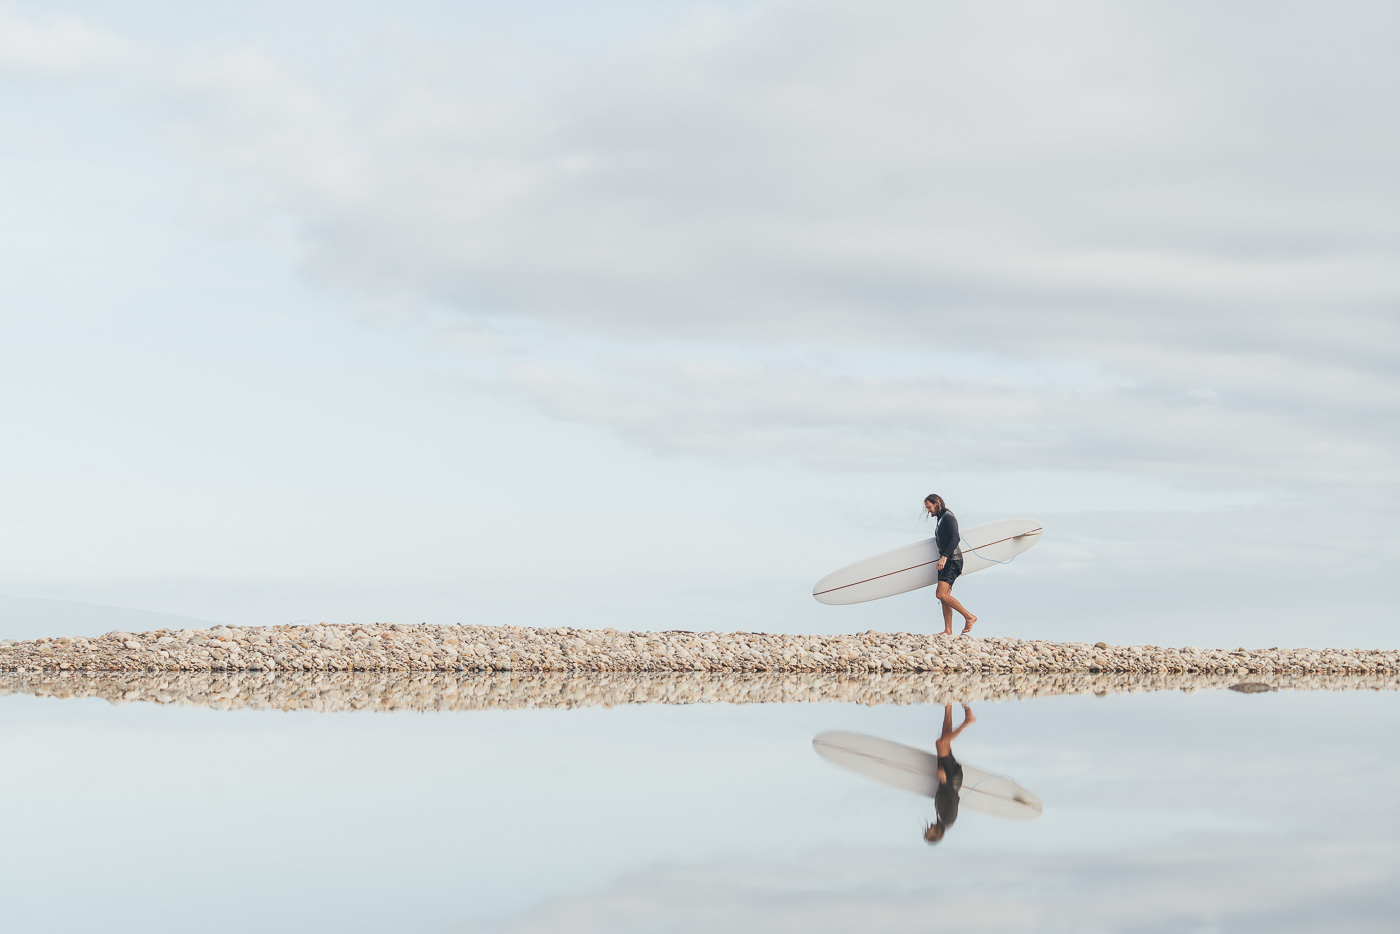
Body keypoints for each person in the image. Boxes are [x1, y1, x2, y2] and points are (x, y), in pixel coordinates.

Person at [924, 494, 977, 635]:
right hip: (947, 561)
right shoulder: (941, 518)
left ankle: (969, 616)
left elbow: (955, 538)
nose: (928, 511)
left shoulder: (948, 517)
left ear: (936, 503)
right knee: (945, 596)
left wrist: (944, 557)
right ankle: (948, 630)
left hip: (952, 560)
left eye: (929, 507)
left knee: (940, 594)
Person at [924, 703, 975, 844]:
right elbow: (954, 799)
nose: (926, 830)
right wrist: (945, 780)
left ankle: (948, 706)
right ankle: (967, 721)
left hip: (947, 778)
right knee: (941, 743)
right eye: (928, 833)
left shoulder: (941, 819)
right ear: (935, 834)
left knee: (944, 744)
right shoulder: (948, 820)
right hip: (952, 778)